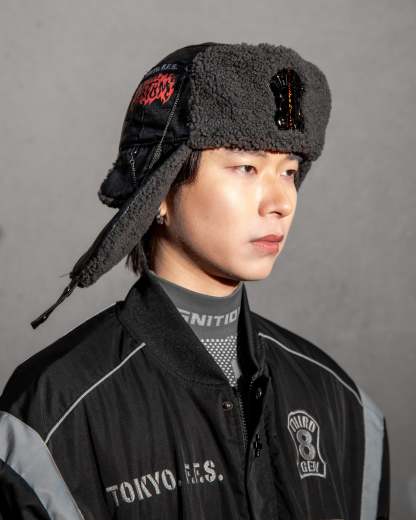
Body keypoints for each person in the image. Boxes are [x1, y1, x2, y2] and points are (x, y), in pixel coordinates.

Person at [0, 42, 389, 519]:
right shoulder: (48, 417)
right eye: (247, 168)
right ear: (159, 192)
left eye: (289, 171)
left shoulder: (345, 406)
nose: (281, 202)